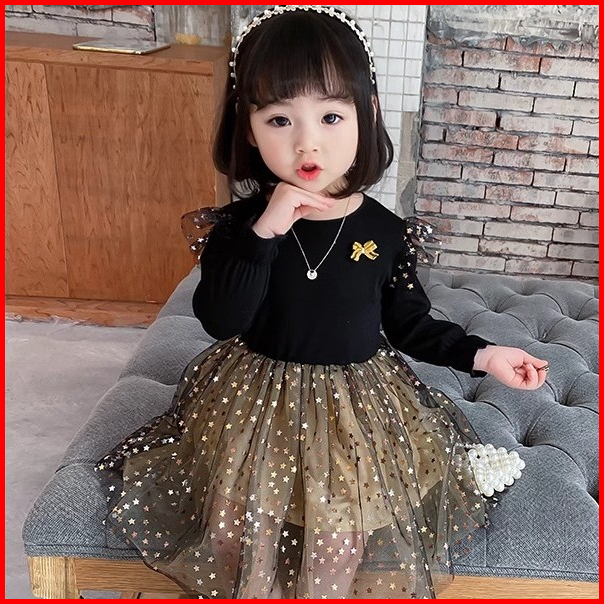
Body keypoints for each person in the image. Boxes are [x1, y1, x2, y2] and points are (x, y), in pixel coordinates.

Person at [96, 6, 548, 599]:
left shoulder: (385, 232)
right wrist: (266, 231)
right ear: (248, 129)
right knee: (233, 533)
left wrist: (485, 355)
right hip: (256, 398)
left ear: (368, 114)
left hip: (352, 408)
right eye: (279, 119)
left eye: (331, 116)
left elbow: (409, 323)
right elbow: (221, 319)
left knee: (339, 542)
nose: (307, 142)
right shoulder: (240, 226)